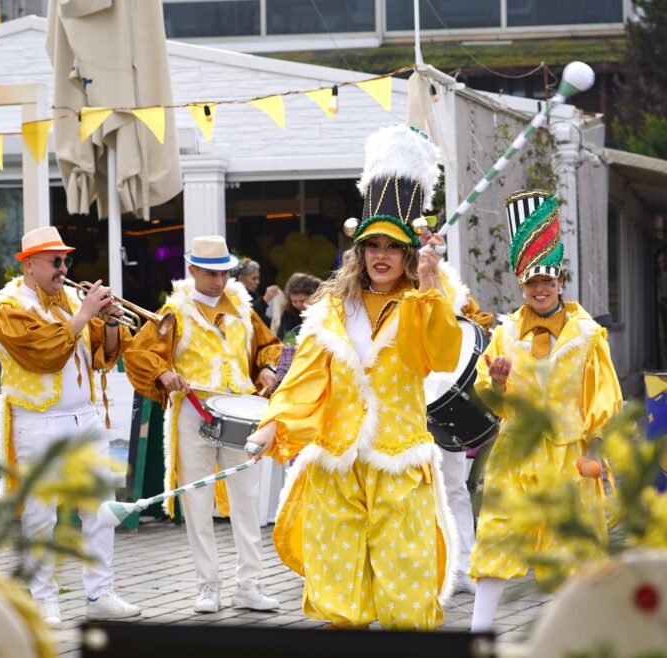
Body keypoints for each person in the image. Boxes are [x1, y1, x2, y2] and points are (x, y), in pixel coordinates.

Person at [246, 124, 462, 630]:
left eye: (391, 246)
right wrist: (272, 425)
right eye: (372, 245)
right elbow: (303, 378)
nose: (380, 255)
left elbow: (438, 354)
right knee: (339, 594)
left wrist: (429, 288)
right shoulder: (330, 312)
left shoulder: (421, 302)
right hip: (337, 465)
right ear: (359, 251)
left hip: (397, 461)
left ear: (408, 252)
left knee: (405, 593)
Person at [469, 190, 623, 631]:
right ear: (522, 286)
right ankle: (478, 633)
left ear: (559, 283)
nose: (540, 290)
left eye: (547, 282)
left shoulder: (588, 336)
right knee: (499, 537)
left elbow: (604, 397)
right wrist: (497, 382)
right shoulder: (504, 334)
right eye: (532, 283)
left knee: (574, 547)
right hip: (516, 453)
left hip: (568, 456)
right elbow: (490, 398)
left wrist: (594, 450)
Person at [0, 225, 140, 625]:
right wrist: (85, 313)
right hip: (38, 420)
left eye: (66, 259)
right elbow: (46, 354)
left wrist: (109, 323)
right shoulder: (8, 308)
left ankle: (100, 592)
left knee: (101, 508)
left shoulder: (70, 297)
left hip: (85, 416)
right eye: (55, 261)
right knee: (41, 514)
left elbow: (101, 359)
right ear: (29, 264)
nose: (63, 267)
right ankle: (42, 598)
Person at [124, 235, 283, 614]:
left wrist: (267, 367)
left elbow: (268, 345)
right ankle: (207, 585)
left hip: (241, 411)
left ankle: (250, 584)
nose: (218, 280)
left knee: (247, 499)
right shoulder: (173, 313)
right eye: (210, 273)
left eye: (224, 273)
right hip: (194, 411)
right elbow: (139, 352)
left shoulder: (244, 308)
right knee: (197, 500)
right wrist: (163, 373)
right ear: (192, 270)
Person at [424, 230, 496, 596]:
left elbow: (478, 321)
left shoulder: (447, 285)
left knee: (453, 486)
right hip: (392, 406)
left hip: (436, 405)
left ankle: (464, 565)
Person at [275, 272, 322, 341]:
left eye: (302, 301)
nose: (298, 305)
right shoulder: (288, 315)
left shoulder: (323, 313)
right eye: (294, 301)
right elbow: (285, 341)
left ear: (313, 297)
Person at [233, 258, 280, 327]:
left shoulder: (253, 295)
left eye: (258, 278)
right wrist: (265, 300)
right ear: (241, 279)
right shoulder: (233, 296)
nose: (258, 282)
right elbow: (249, 314)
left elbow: (262, 319)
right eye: (253, 278)